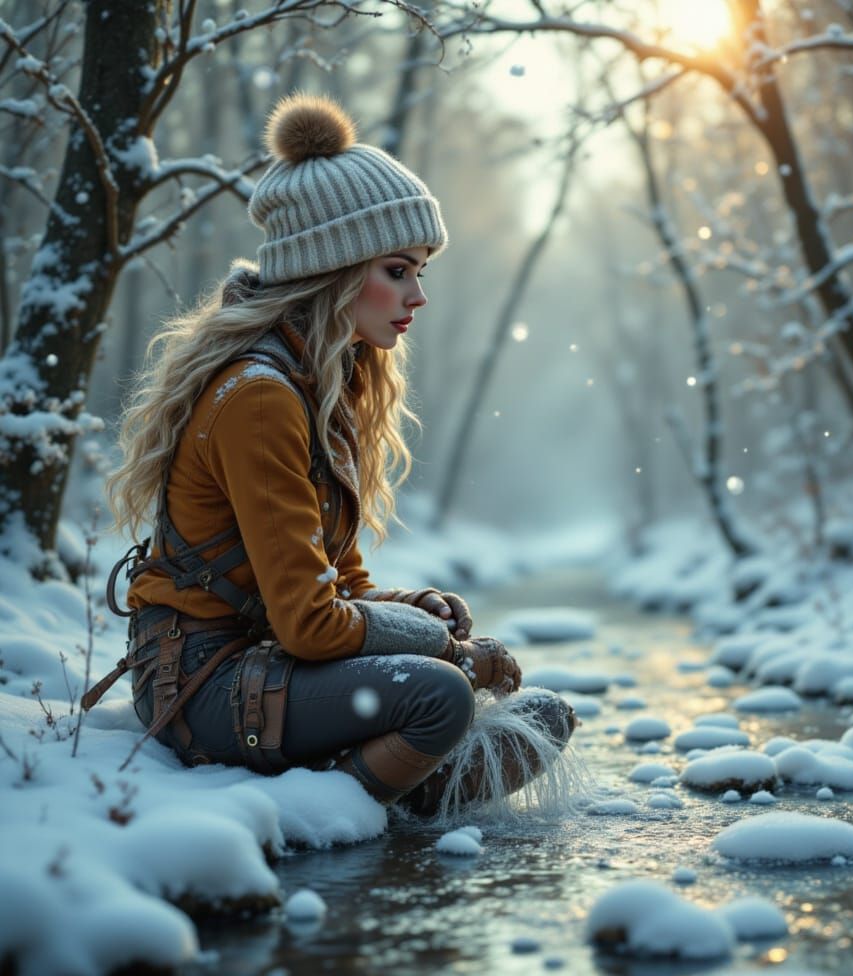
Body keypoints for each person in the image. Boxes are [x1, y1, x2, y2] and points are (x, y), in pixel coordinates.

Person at [93, 94, 576, 817]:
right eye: (398, 269)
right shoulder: (261, 397)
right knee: (440, 693)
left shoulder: (319, 384)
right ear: (335, 269)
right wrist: (447, 652)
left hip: (267, 667)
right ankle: (352, 810)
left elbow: (335, 583)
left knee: (544, 717)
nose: (417, 294)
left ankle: (399, 780)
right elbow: (312, 625)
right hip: (204, 684)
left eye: (421, 271)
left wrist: (422, 610)